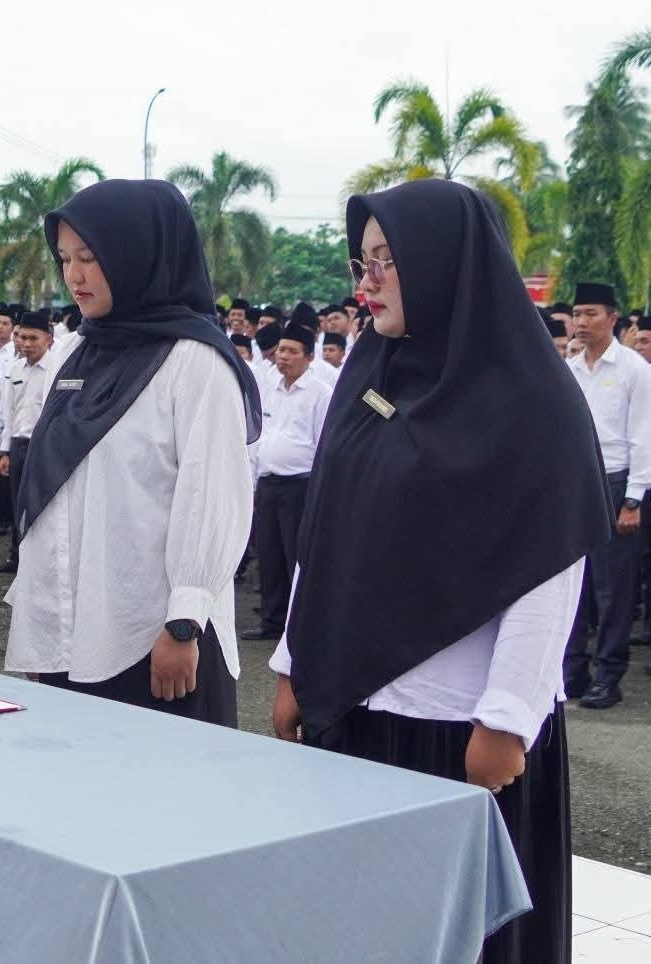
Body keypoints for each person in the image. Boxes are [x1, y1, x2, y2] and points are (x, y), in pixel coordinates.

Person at [273, 178, 609, 964]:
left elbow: (550, 562)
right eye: (363, 261)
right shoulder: (370, 372)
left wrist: (506, 720)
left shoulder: (536, 401)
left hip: (460, 731)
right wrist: (294, 662)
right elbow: (326, 527)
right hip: (357, 706)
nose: (368, 282)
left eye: (389, 260)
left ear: (446, 263)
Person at [4, 179, 260, 727]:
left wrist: (184, 621)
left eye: (91, 258)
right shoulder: (81, 352)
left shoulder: (195, 363)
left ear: (138, 256)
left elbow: (213, 500)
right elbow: (58, 492)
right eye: (65, 258)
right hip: (76, 630)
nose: (74, 275)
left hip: (155, 638)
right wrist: (42, 623)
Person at [564, 282, 651, 710]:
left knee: (614, 589)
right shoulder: (571, 367)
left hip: (617, 484)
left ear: (613, 318)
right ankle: (574, 670)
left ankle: (609, 674)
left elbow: (644, 438)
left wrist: (633, 499)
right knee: (574, 583)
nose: (581, 322)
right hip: (575, 483)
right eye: (577, 313)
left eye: (591, 313)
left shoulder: (634, 369)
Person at [246, 323, 332, 641]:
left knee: (296, 556)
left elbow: (325, 446)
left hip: (300, 486)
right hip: (269, 484)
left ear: (309, 357)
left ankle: (300, 627)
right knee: (268, 555)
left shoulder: (320, 394)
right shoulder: (270, 387)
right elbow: (260, 438)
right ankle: (272, 620)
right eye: (281, 349)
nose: (282, 356)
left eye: (291, 351)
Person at [0, 311, 56, 576]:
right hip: (18, 445)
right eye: (22, 337)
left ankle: (44, 561)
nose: (26, 343)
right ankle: (18, 559)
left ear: (48, 339)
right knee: (18, 504)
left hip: (45, 446)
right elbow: (9, 412)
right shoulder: (15, 368)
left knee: (44, 504)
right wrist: (4, 450)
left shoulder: (57, 368)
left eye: (33, 338)